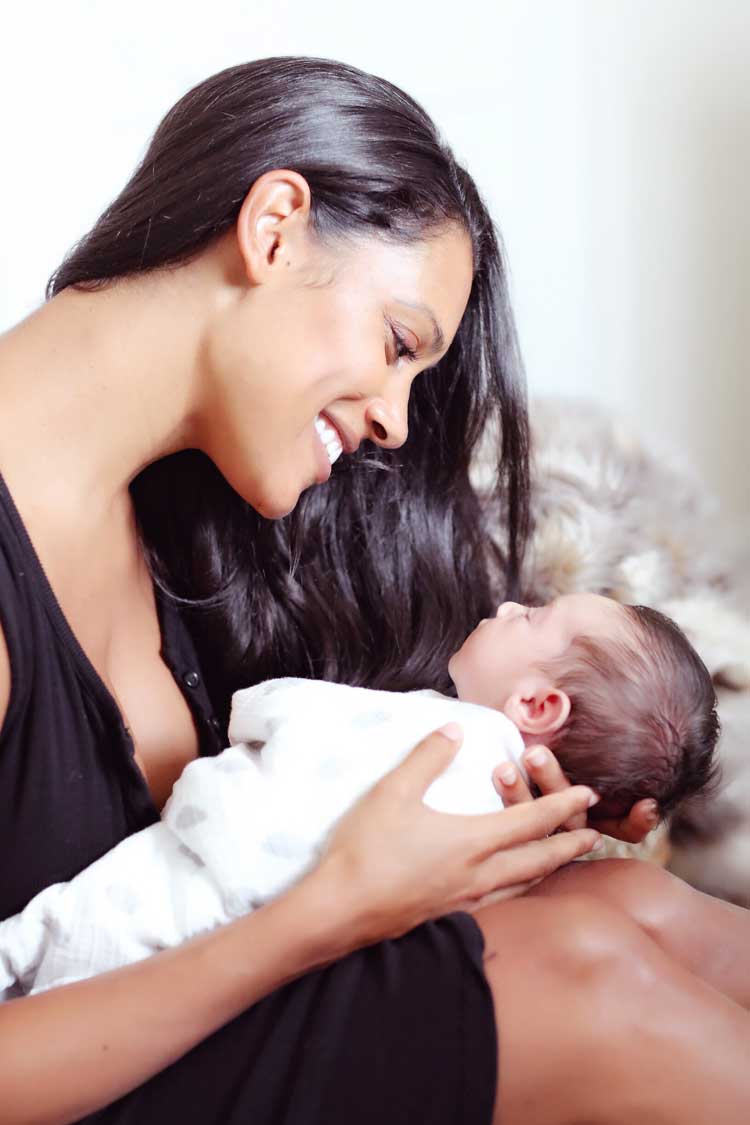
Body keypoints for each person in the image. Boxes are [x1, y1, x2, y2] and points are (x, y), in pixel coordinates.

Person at [0, 56, 748, 1125]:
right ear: (275, 230)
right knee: (598, 985)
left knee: (625, 903)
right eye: (399, 343)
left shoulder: (194, 518)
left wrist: (492, 832)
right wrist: (329, 911)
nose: (395, 419)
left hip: (215, 1007)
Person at [0, 591, 721, 1000]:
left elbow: (285, 717)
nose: (507, 602)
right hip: (246, 966)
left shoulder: (447, 734)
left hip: (188, 899)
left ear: (536, 705)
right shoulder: (508, 816)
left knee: (50, 938)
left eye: (532, 616)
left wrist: (245, 717)